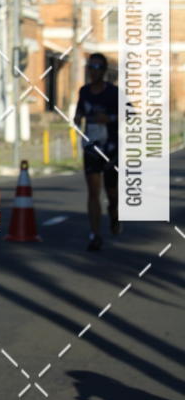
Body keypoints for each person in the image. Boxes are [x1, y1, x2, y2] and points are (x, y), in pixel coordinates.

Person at [74, 52, 120, 251]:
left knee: (112, 192)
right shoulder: (84, 91)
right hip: (92, 147)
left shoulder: (114, 92)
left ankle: (114, 210)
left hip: (110, 147)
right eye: (90, 67)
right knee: (93, 192)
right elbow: (79, 113)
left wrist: (109, 118)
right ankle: (95, 234)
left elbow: (130, 113)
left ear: (104, 70)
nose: (93, 71)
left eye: (97, 67)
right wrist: (77, 119)